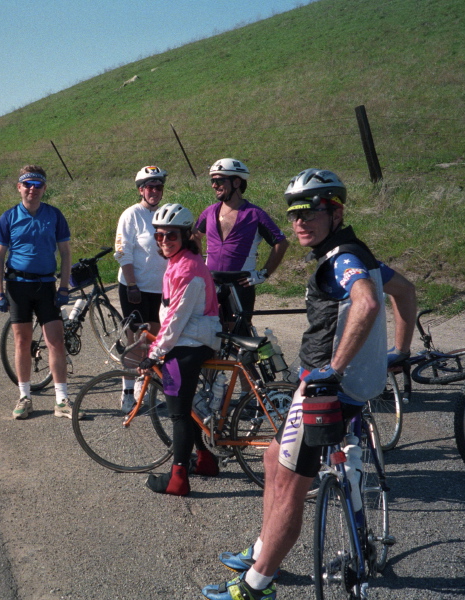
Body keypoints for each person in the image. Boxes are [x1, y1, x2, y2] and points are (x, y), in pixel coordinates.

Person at [202, 169, 416, 600]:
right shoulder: (357, 252)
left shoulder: (342, 258)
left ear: (335, 212)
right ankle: (262, 548)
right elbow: (405, 290)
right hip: (348, 386)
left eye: (311, 212)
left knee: (288, 488)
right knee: (269, 462)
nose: (300, 222)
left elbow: (369, 301)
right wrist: (400, 352)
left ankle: (259, 583)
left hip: (327, 391)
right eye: (294, 213)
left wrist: (334, 368)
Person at [136, 203, 222, 496]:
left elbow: (175, 320)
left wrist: (154, 353)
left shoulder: (187, 269)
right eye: (158, 235)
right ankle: (206, 460)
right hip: (190, 340)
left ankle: (178, 480)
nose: (163, 241)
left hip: (189, 344)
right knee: (188, 411)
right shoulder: (181, 260)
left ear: (185, 235)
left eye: (170, 235)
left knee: (179, 416)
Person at [0, 165, 74, 420]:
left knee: (56, 342)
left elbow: (66, 252)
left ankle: (61, 400)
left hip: (46, 285)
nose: (32, 190)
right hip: (18, 286)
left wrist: (63, 287)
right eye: (27, 185)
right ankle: (24, 397)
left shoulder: (55, 215)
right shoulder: (9, 217)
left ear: (44, 188)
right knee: (22, 342)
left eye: (38, 185)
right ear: (19, 187)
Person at [194, 158, 289, 334]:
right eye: (212, 181)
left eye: (219, 180)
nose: (214, 185)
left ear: (237, 182)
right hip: (212, 282)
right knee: (210, 335)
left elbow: (281, 243)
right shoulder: (209, 212)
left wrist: (263, 274)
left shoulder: (255, 214)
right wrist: (199, 265)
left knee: (240, 337)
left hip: (240, 284)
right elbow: (195, 237)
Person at [113, 166, 169, 413]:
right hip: (134, 287)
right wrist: (132, 285)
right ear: (140, 190)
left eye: (158, 187)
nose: (154, 191)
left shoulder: (166, 213)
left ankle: (145, 386)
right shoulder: (131, 215)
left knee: (154, 343)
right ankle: (127, 392)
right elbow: (122, 252)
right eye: (149, 187)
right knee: (135, 341)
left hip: (160, 289)